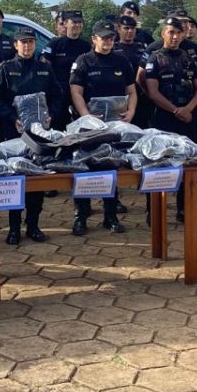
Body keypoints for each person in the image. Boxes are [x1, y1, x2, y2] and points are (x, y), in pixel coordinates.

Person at [0, 27, 61, 244]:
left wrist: (51, 116)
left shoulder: (44, 69)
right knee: (15, 179)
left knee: (36, 178)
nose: (28, 46)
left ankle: (33, 225)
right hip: (13, 132)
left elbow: (58, 96)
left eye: (31, 42)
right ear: (15, 45)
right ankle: (13, 228)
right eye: (23, 42)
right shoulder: (6, 68)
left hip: (39, 133)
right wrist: (12, 117)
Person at [69, 22, 138, 234]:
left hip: (114, 125)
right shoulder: (84, 61)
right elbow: (75, 91)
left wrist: (131, 112)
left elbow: (132, 91)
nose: (107, 41)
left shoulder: (121, 61)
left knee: (110, 166)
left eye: (110, 38)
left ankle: (110, 216)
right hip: (90, 127)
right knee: (85, 168)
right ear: (94, 39)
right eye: (103, 38)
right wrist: (86, 117)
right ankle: (81, 215)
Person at [141, 16, 197, 223]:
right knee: (160, 165)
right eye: (171, 32)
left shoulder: (189, 58)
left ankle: (183, 209)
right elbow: (152, 91)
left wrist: (188, 109)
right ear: (163, 34)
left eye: (178, 33)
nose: (175, 36)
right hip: (163, 119)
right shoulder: (155, 58)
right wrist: (175, 110)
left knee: (186, 165)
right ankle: (155, 212)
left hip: (187, 119)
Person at [41, 10, 91, 123]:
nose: (77, 25)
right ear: (65, 23)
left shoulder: (86, 46)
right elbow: (45, 68)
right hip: (59, 95)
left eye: (80, 22)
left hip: (81, 95)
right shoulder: (55, 45)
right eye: (74, 22)